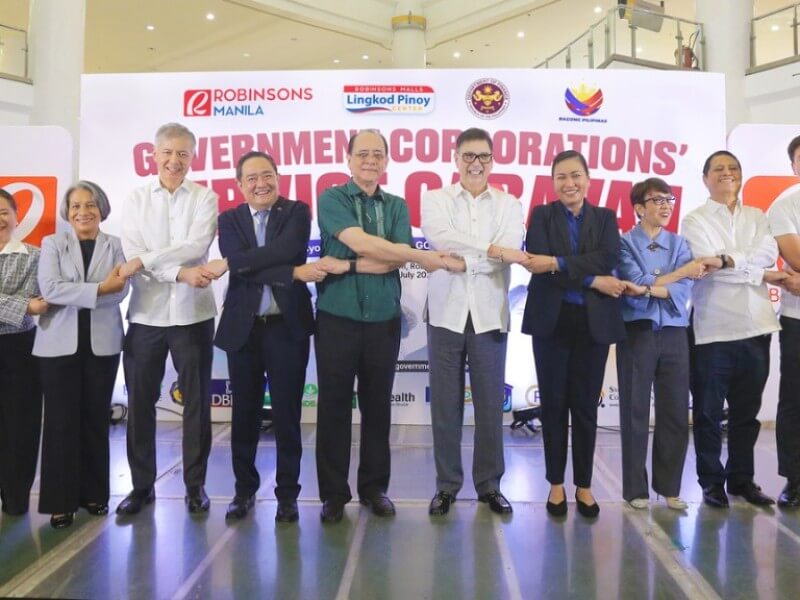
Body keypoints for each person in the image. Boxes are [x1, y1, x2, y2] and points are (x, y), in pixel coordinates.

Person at [314, 129, 447, 523]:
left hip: (383, 321)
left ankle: (375, 488)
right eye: (362, 154)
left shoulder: (397, 205)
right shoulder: (332, 198)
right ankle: (334, 494)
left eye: (377, 154)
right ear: (349, 159)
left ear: (386, 161)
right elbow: (365, 244)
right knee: (333, 407)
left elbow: (394, 260)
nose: (370, 160)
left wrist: (365, 261)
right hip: (337, 316)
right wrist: (404, 254)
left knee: (377, 408)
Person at [117, 122, 225, 515]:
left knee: (197, 405)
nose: (174, 161)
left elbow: (196, 246)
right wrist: (177, 270)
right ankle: (141, 486)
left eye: (183, 154)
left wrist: (145, 260)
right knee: (140, 404)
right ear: (154, 154)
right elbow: (133, 246)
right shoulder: (135, 199)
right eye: (168, 152)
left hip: (193, 315)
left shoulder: (205, 197)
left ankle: (195, 486)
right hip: (146, 315)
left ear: (192, 157)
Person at [215, 151, 325, 523]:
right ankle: (244, 491)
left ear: (278, 177)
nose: (261, 184)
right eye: (252, 178)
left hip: (286, 327)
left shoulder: (296, 211)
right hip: (243, 329)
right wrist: (291, 274)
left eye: (267, 176)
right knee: (243, 414)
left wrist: (246, 262)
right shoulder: (228, 219)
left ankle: (287, 495)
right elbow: (238, 261)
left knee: (287, 414)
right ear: (239, 184)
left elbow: (287, 250)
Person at [421, 127, 525, 516]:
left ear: (492, 160)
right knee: (445, 408)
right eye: (468, 156)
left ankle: (489, 485)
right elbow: (439, 237)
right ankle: (447, 486)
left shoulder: (509, 204)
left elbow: (510, 248)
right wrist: (491, 252)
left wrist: (467, 261)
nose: (476, 163)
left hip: (489, 315)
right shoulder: (435, 198)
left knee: (488, 407)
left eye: (483, 156)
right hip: (446, 315)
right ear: (456, 158)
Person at [521, 150, 626, 519]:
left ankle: (584, 485)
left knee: (584, 406)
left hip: (592, 323)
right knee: (553, 405)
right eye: (562, 177)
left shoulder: (605, 217)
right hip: (552, 321)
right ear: (553, 182)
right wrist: (591, 278)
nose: (570, 183)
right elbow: (537, 260)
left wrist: (560, 263)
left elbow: (607, 257)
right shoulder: (542, 215)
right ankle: (555, 485)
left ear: (588, 178)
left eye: (576, 175)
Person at [682, 150, 786, 508]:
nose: (727, 173)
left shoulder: (758, 216)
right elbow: (705, 261)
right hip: (713, 330)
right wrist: (758, 273)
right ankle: (711, 482)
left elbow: (767, 254)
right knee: (709, 413)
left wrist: (729, 259)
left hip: (756, 327)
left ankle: (742, 479)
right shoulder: (693, 221)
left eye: (734, 168)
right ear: (706, 178)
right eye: (719, 169)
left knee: (746, 413)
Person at [34, 181, 129, 528]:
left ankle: (94, 495)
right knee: (60, 423)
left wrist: (91, 291)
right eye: (75, 206)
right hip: (57, 346)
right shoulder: (52, 244)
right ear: (67, 212)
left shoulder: (115, 245)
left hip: (102, 345)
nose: (83, 212)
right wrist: (100, 287)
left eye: (90, 205)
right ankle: (61, 502)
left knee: (94, 420)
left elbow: (121, 293)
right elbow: (51, 289)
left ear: (101, 209)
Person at [615, 177, 705, 511]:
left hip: (674, 332)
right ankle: (635, 489)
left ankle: (669, 488)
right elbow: (631, 284)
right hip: (637, 330)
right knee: (634, 410)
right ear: (639, 208)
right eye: (657, 200)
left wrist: (653, 287)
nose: (665, 206)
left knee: (675, 412)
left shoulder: (681, 244)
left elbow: (684, 291)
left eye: (669, 199)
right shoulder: (624, 244)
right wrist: (675, 277)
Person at [0, 188, 48, 516]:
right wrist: (20, 304)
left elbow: (40, 302)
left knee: (21, 425)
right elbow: (27, 304)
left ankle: (16, 497)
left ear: (17, 216)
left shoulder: (35, 255)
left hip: (20, 349)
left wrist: (27, 305)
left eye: (4, 211)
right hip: (17, 331)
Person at [767, 134, 800, 508]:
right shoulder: (785, 206)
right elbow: (796, 259)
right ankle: (795, 479)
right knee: (794, 400)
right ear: (793, 165)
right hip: (797, 319)